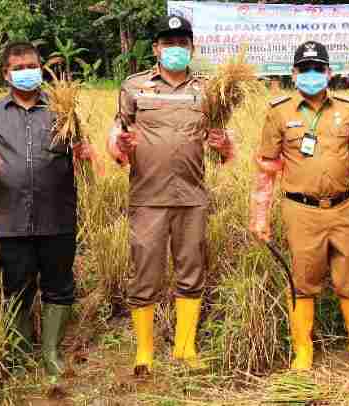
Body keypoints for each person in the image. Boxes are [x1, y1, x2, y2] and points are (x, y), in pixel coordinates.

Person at [248, 41, 349, 371]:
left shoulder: (348, 110)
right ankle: (303, 349)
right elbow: (266, 169)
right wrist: (260, 216)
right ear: (294, 72)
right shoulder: (279, 111)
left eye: (318, 68)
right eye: (305, 69)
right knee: (303, 278)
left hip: (343, 208)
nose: (312, 74)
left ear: (329, 72)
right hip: (300, 210)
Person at [108, 15, 235, 376]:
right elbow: (117, 134)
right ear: (156, 48)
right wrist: (119, 145)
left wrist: (224, 145)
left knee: (190, 270)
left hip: (192, 196)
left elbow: (223, 147)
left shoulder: (209, 90)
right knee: (145, 271)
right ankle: (144, 352)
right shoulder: (134, 87)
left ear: (191, 48)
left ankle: (184, 346)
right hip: (147, 196)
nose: (175, 50)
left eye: (182, 43)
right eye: (168, 43)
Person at [0, 41, 94, 381]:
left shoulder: (63, 111)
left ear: (41, 68)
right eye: (18, 68)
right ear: (6, 73)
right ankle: (19, 354)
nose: (27, 73)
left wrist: (85, 153)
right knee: (17, 287)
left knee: (59, 286)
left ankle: (51, 354)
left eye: (32, 66)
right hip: (11, 219)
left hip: (58, 217)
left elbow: (85, 159)